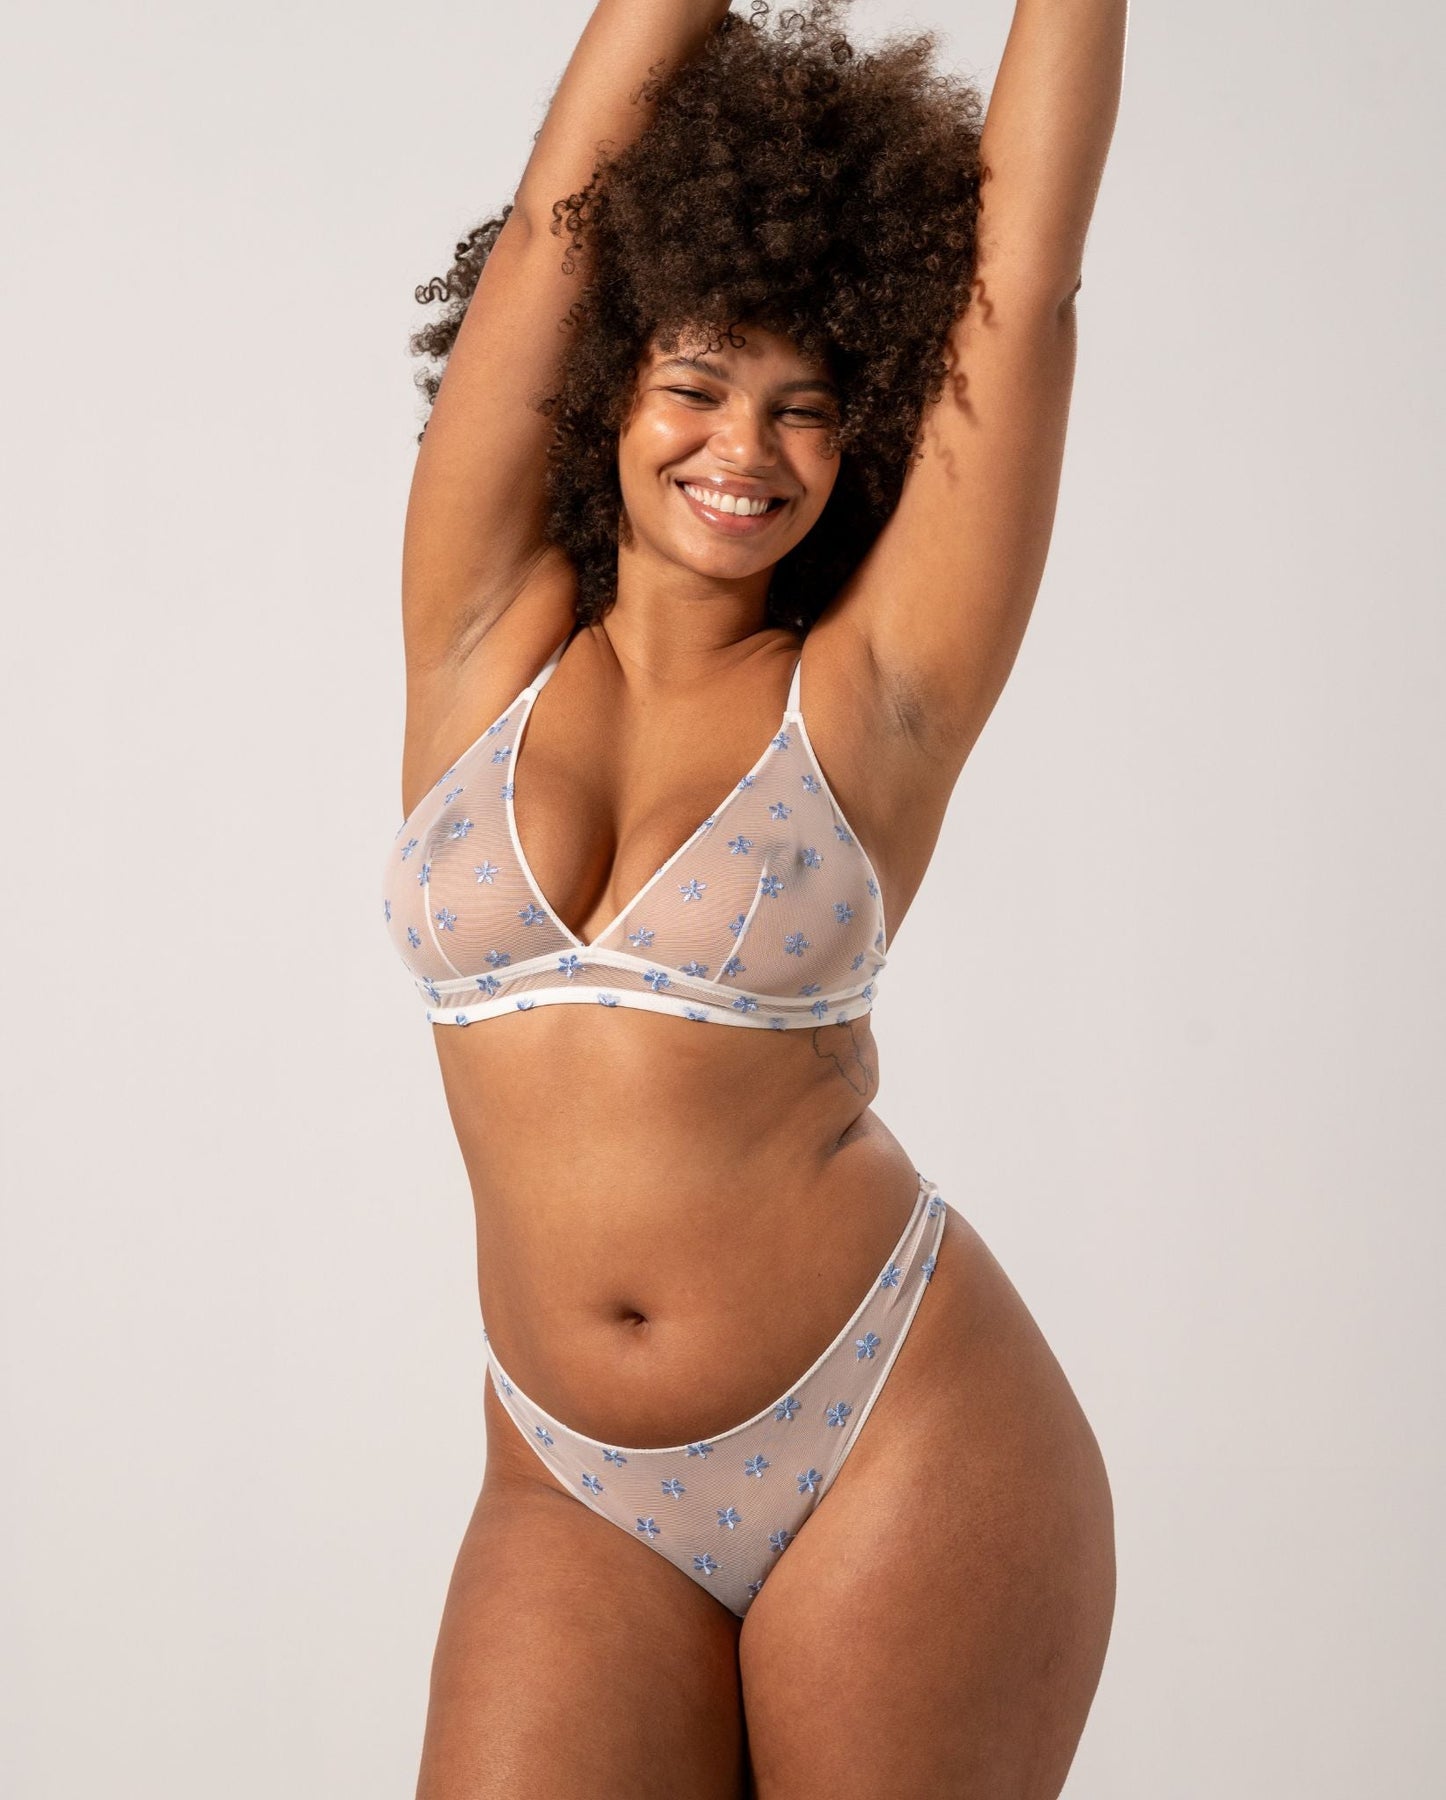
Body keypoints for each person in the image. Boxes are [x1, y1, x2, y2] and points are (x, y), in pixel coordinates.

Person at [382, 1, 1126, 1792]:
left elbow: (1020, 288)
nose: (746, 450)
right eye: (699, 385)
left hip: (893, 1428)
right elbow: (558, 217)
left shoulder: (871, 697)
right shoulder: (479, 636)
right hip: (567, 1477)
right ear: (607, 380)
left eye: (807, 410)